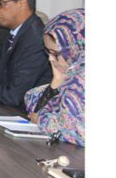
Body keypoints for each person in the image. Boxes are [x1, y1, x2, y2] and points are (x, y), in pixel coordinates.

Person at [24, 9, 85, 146]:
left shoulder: (82, 80)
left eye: (55, 54)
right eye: (48, 52)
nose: (50, 59)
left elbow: (77, 132)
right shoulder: (71, 76)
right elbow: (33, 108)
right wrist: (56, 81)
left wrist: (42, 120)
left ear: (76, 48)